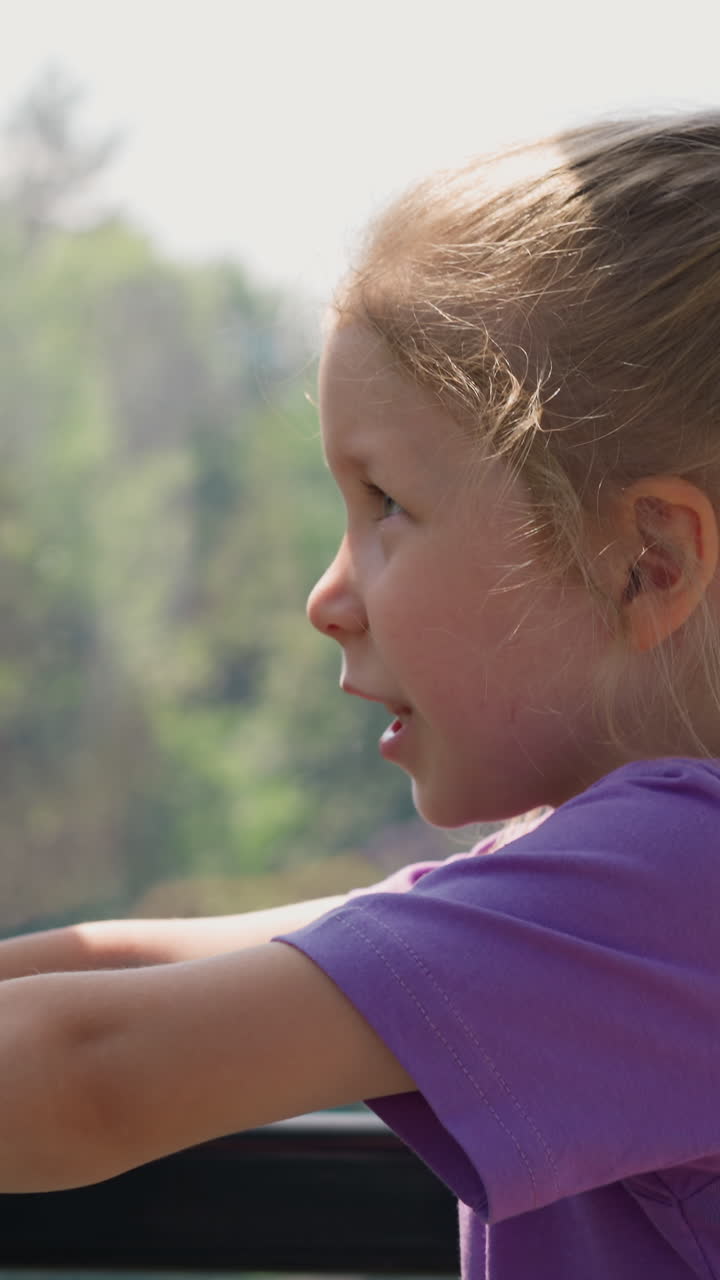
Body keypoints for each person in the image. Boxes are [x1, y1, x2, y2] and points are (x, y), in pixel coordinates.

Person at [1, 113, 720, 1279]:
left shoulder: (680, 882)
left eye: (384, 501)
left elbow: (91, 1071)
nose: (327, 595)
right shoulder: (604, 881)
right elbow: (140, 968)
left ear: (647, 560)